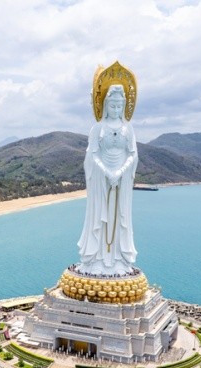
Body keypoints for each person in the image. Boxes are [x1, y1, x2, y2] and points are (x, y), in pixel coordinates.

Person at [76, 83, 138, 276]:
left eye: (120, 106)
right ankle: (96, 260)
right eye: (112, 106)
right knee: (100, 217)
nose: (116, 110)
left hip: (122, 179)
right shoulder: (97, 128)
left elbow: (133, 155)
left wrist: (120, 172)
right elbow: (92, 154)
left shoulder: (128, 129)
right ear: (104, 105)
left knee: (119, 217)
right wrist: (106, 172)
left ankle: (118, 259)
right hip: (100, 181)